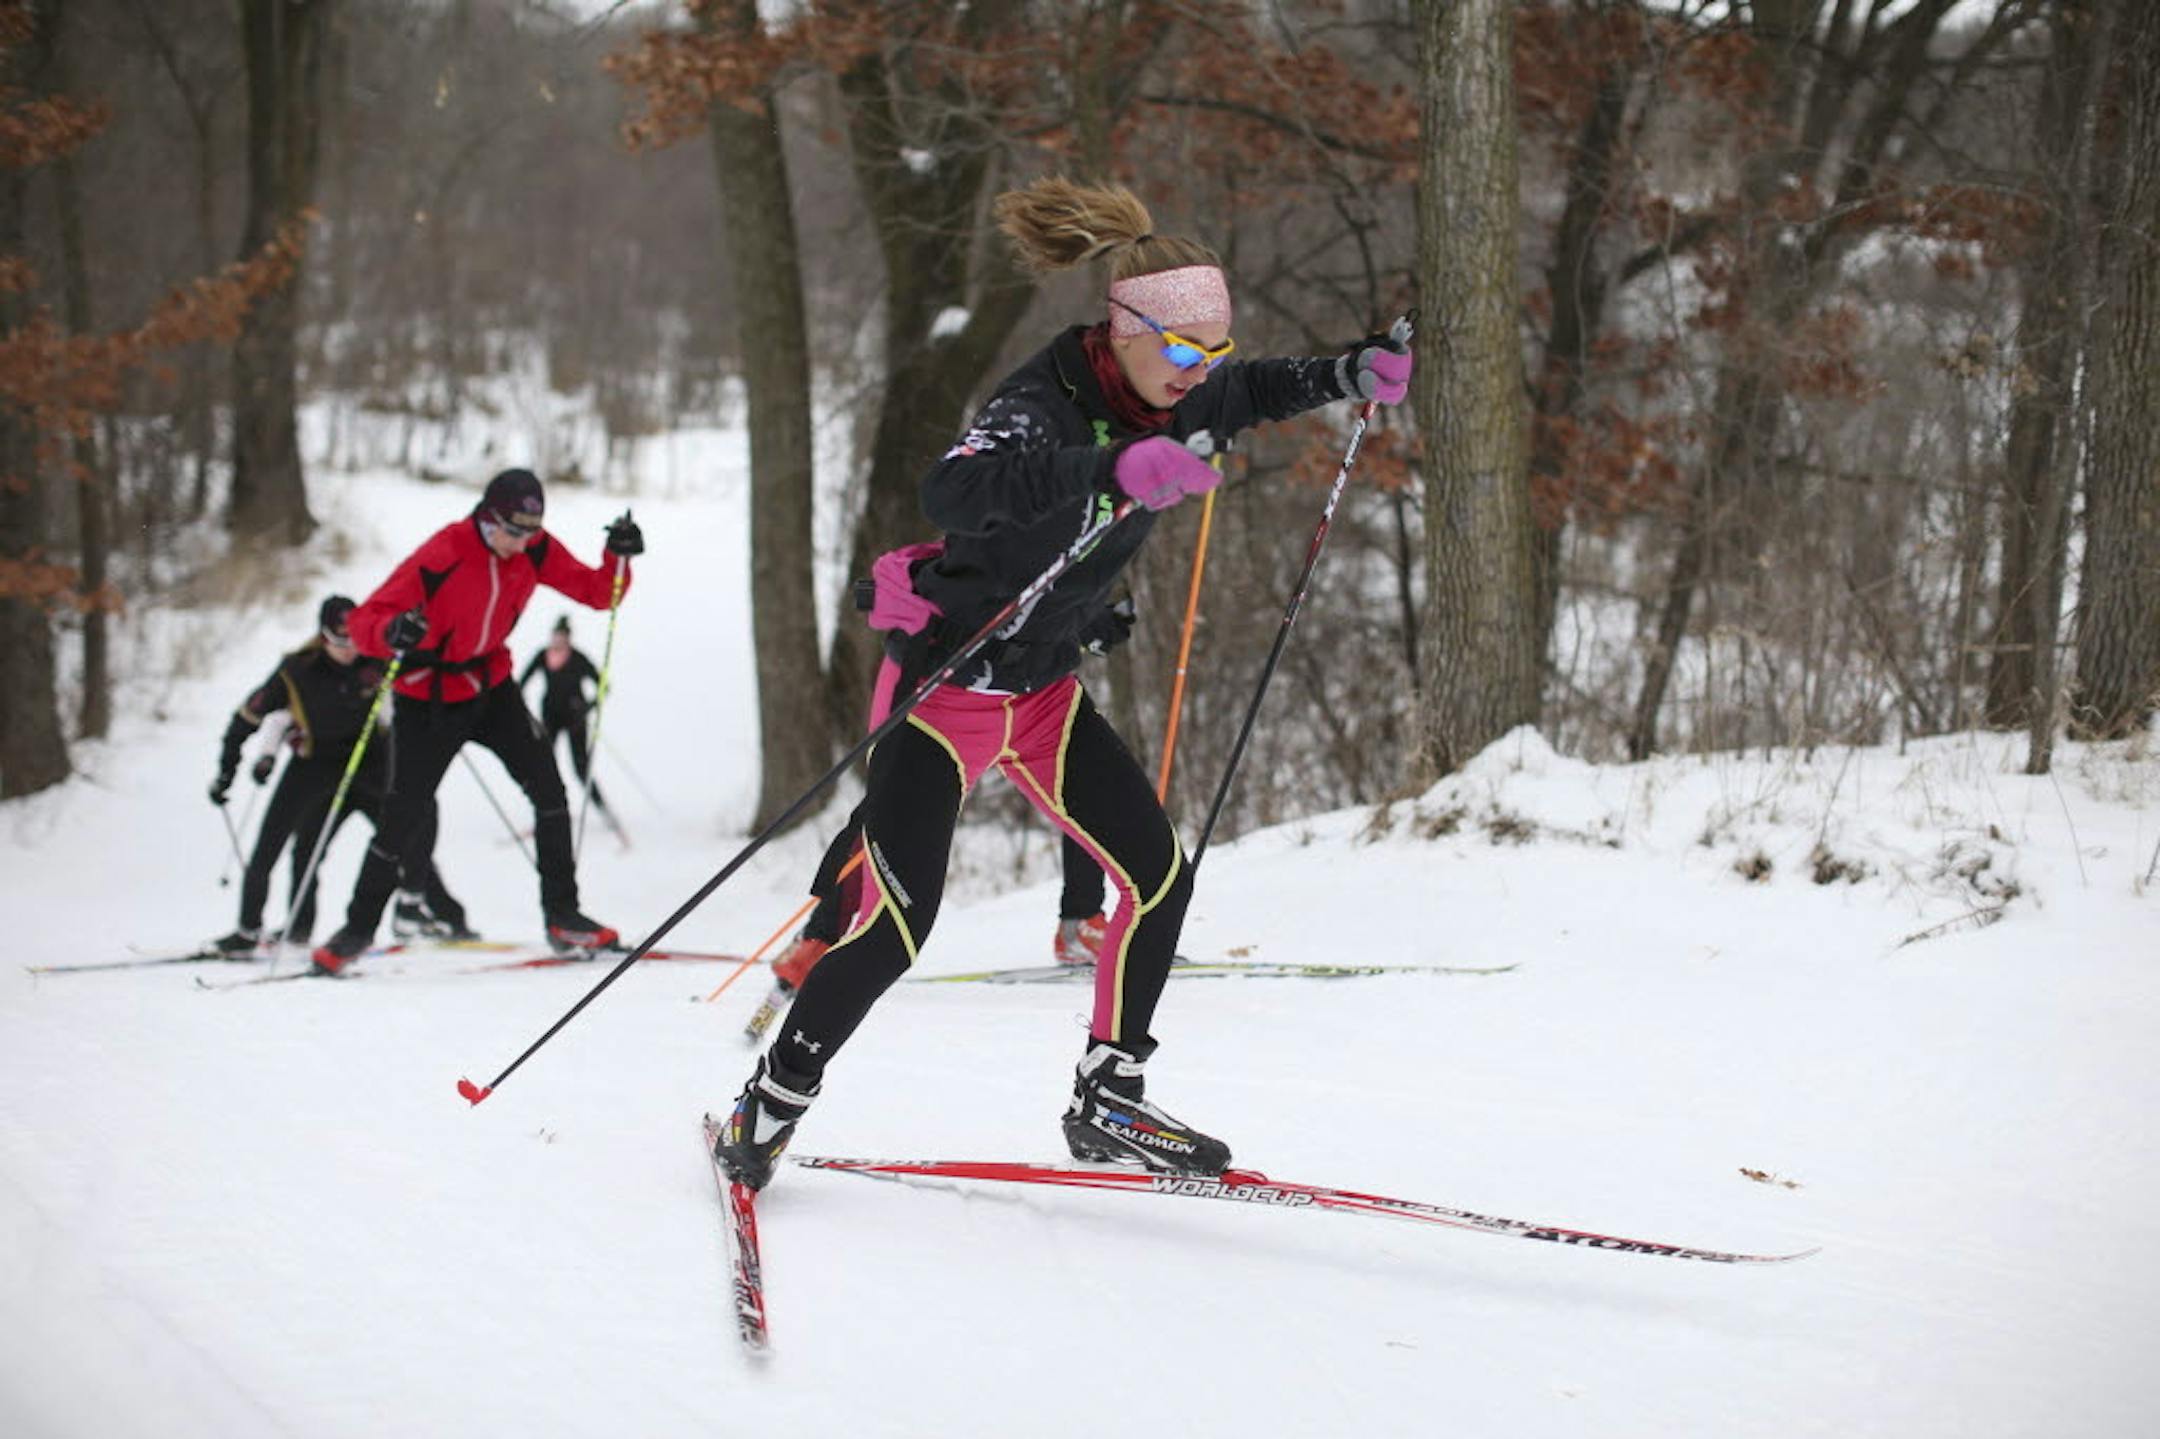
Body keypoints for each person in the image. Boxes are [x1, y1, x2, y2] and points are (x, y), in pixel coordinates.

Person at [715, 177, 1411, 1188]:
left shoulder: (1186, 379)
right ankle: (771, 1098)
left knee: (1160, 874)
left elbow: (1254, 387)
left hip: (1044, 695)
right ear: (1121, 328)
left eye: (1209, 348)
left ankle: (1108, 1098)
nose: (1197, 371)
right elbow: (954, 489)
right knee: (899, 927)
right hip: (948, 694)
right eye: (1179, 348)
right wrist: (1109, 471)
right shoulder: (1038, 405)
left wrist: (1351, 371)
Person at [309, 469, 643, 975]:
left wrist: (617, 557)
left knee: (550, 793)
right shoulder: (444, 552)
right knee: (403, 814)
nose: (521, 543)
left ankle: (563, 916)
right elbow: (364, 623)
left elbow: (598, 593)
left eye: (531, 532)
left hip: (491, 687)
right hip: (428, 697)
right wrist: (392, 630)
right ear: (488, 518)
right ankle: (356, 929)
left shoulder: (533, 548)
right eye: (512, 531)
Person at [753, 594, 1135, 1033]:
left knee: (1080, 777)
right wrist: (1086, 624)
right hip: (959, 689)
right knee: (896, 814)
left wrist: (1087, 623)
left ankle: (1081, 919)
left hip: (1022, 683)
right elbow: (1008, 592)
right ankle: (819, 938)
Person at [208, 595, 472, 954]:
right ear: (322, 636)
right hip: (314, 765)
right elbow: (244, 720)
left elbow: (429, 664)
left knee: (407, 834)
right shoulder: (296, 670)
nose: (349, 650)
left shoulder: (378, 658)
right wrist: (227, 773)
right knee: (283, 847)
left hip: (371, 763)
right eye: (339, 641)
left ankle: (442, 916)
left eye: (354, 640)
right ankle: (252, 930)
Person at [518, 615, 619, 833]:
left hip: (575, 721)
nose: (559, 640)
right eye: (556, 636)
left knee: (581, 769)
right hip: (550, 720)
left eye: (563, 636)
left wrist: (588, 707)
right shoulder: (543, 656)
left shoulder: (578, 659)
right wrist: (521, 708)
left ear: (569, 638)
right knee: (544, 766)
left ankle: (605, 813)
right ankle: (546, 815)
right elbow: (521, 683)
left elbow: (604, 686)